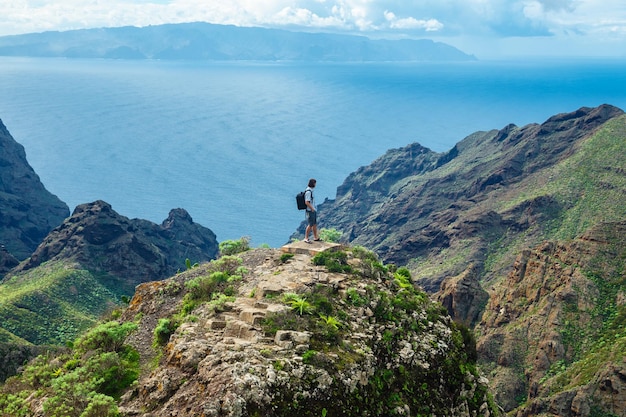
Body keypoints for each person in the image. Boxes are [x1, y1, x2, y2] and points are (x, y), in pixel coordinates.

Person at [303, 178, 320, 243]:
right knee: (310, 224)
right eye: (315, 183)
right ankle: (306, 238)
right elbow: (307, 202)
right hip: (310, 210)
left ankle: (315, 237)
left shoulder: (311, 191)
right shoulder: (308, 192)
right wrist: (312, 208)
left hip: (312, 210)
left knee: (314, 224)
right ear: (313, 183)